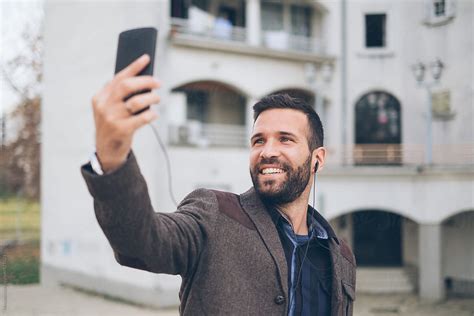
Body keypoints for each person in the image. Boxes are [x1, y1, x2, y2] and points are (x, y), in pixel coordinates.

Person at [81, 55, 356, 315]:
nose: (267, 151)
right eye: (258, 140)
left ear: (317, 159)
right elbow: (140, 242)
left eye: (285, 139)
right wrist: (113, 154)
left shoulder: (341, 257)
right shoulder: (214, 214)